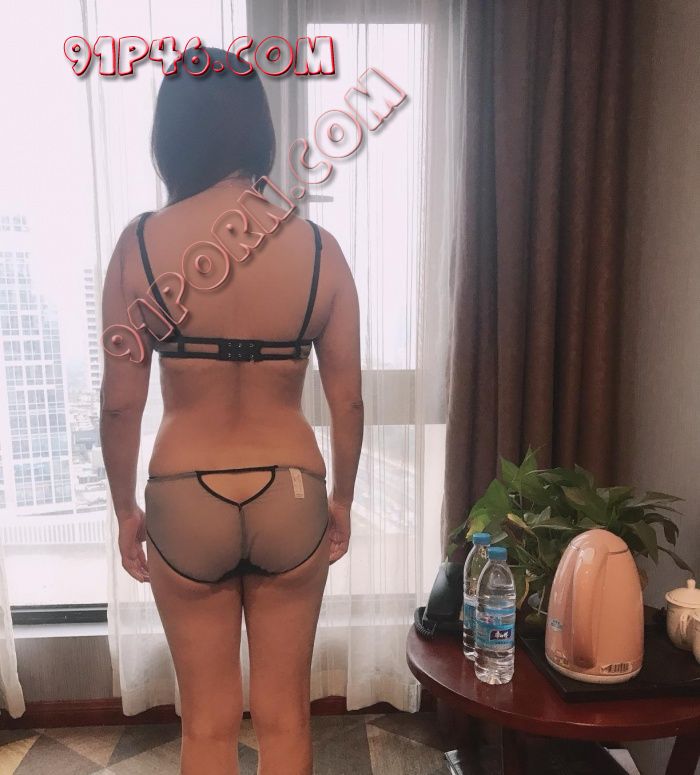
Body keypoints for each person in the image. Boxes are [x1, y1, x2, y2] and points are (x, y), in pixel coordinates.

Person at [99, 45, 363, 775]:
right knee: (286, 719)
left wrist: (125, 510)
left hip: (185, 493)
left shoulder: (140, 245)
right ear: (258, 130)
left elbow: (120, 407)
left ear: (171, 136)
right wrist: (342, 498)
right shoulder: (320, 249)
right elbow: (347, 398)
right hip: (292, 489)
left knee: (208, 726)